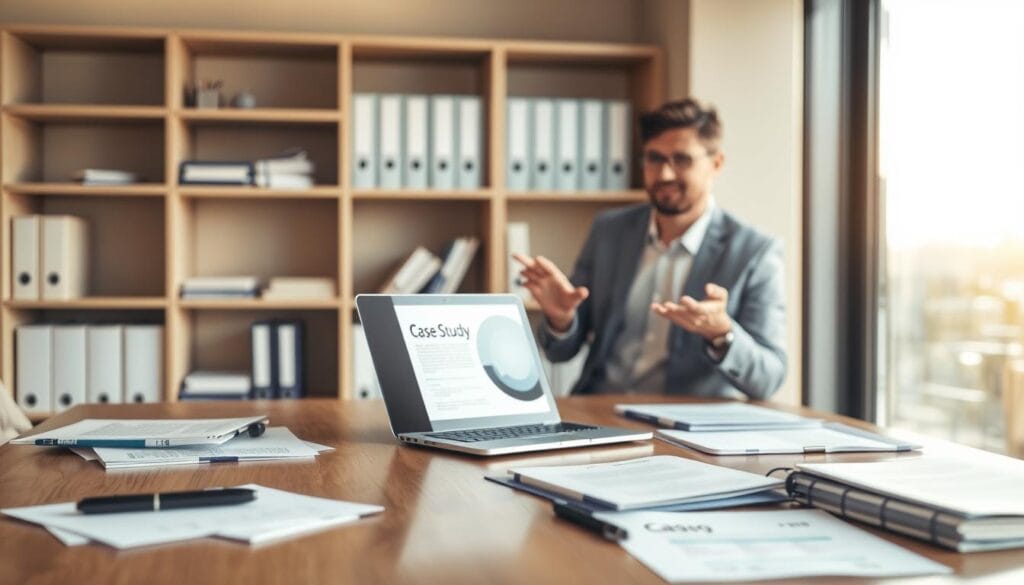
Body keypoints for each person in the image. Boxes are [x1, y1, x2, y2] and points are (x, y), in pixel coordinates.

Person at [513, 98, 786, 400]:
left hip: (688, 427)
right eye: (654, 159)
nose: (665, 174)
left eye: (682, 160)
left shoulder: (755, 252)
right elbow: (560, 351)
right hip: (600, 411)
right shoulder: (610, 231)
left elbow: (769, 378)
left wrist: (722, 333)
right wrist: (561, 320)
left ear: (716, 163)